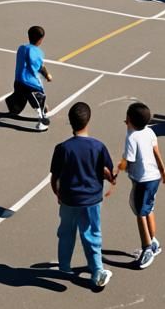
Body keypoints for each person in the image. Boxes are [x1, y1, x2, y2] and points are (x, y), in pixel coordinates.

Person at [49, 102, 117, 289]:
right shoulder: (98, 146)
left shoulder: (62, 148)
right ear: (89, 121)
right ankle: (97, 271)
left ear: (70, 123)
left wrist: (58, 194)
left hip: (68, 199)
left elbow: (55, 176)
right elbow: (106, 171)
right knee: (92, 234)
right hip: (92, 200)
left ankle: (64, 266)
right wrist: (112, 179)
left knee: (65, 232)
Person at [117, 102, 165, 268]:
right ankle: (153, 241)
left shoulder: (131, 137)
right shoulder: (150, 132)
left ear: (130, 120)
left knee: (140, 212)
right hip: (153, 177)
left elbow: (129, 160)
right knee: (149, 208)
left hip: (141, 179)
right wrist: (163, 170)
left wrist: (118, 170)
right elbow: (156, 151)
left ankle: (146, 247)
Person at [5, 25, 52, 131]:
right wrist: (47, 75)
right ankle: (43, 121)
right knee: (39, 99)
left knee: (19, 100)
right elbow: (40, 67)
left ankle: (14, 104)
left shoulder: (21, 48)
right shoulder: (38, 52)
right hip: (31, 83)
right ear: (40, 40)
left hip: (18, 81)